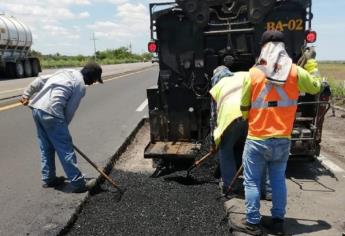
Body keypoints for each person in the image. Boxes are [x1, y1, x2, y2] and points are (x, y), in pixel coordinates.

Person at [234, 30, 325, 235]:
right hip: (282, 140)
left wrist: (251, 118)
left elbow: (244, 105)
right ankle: (277, 222)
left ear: (263, 48)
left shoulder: (254, 73)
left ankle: (252, 222)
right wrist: (311, 66)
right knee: (277, 180)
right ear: (283, 47)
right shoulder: (295, 71)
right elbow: (316, 86)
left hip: (257, 139)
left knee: (251, 181)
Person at [19, 62, 103, 193]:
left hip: (37, 109)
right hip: (52, 112)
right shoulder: (80, 86)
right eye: (94, 81)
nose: (92, 84)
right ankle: (78, 183)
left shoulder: (66, 72)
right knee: (65, 149)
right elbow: (69, 111)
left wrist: (26, 94)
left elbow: (40, 80)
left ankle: (48, 179)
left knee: (46, 146)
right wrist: (61, 132)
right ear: (91, 77)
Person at [209, 66, 248, 196]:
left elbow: (214, 118)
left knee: (225, 149)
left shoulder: (217, 88)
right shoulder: (242, 76)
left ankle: (230, 186)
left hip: (231, 117)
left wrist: (213, 143)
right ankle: (262, 187)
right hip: (253, 115)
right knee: (254, 150)